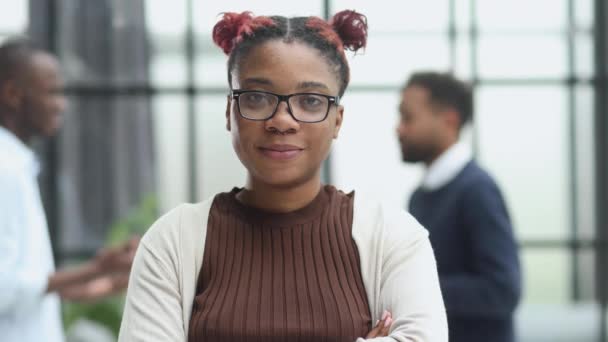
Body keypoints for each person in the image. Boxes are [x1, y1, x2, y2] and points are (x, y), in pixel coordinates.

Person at [118, 10, 447, 342]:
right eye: (257, 98)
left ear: (337, 120)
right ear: (231, 112)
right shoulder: (172, 241)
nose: (282, 120)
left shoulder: (393, 237)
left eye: (310, 101)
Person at [0, 38, 138, 342]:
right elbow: (6, 288)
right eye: (51, 92)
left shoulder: (17, 166)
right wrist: (98, 267)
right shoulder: (5, 170)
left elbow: (35, 288)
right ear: (12, 94)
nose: (61, 103)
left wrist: (110, 278)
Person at [396, 71, 521, 342]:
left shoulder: (477, 190)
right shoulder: (420, 195)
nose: (399, 128)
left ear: (449, 120)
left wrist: (413, 287)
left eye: (408, 117)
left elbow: (502, 290)